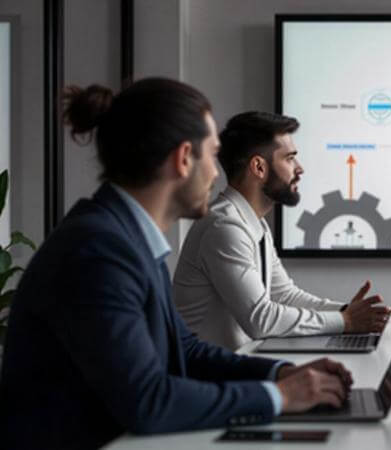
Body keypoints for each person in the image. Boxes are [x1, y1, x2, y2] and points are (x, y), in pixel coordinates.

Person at [0, 79, 352, 449]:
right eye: (212, 156)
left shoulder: (126, 239)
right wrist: (280, 397)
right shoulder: (98, 251)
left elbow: (186, 350)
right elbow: (148, 401)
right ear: (184, 158)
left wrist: (282, 373)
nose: (218, 174)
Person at [173, 111, 391, 351]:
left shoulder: (252, 222)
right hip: (207, 378)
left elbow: (284, 295)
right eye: (290, 158)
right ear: (258, 167)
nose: (300, 169)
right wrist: (346, 321)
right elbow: (261, 319)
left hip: (235, 366)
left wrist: (347, 312)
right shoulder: (224, 227)